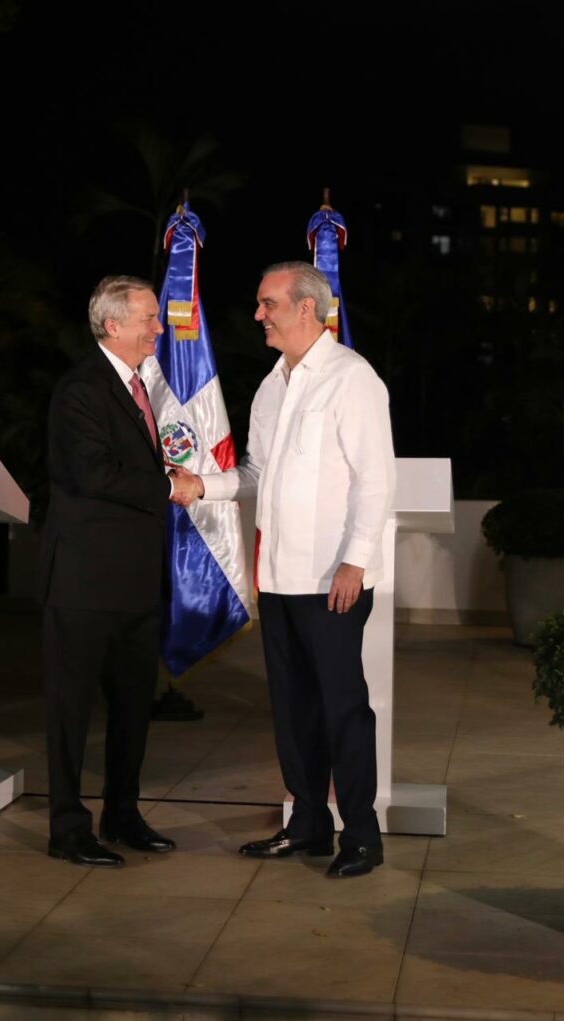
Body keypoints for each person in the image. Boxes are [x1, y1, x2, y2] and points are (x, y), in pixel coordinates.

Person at [172, 261, 396, 878]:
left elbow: (376, 480)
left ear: (305, 308)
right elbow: (256, 474)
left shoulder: (352, 378)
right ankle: (307, 825)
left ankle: (362, 836)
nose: (258, 315)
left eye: (267, 303)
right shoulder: (273, 384)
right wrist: (201, 486)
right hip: (277, 577)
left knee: (343, 708)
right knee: (294, 709)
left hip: (332, 579)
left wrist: (355, 561)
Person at [39, 274, 199, 868]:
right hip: (84, 582)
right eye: (148, 318)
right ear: (112, 325)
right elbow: (95, 474)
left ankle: (122, 814)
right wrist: (169, 487)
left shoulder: (139, 386)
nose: (159, 328)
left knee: (133, 707)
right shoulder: (82, 390)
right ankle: (67, 829)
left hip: (135, 583)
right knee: (71, 712)